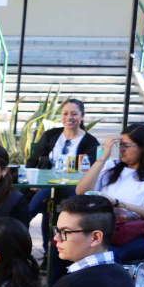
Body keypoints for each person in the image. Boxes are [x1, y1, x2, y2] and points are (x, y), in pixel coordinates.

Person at [75, 123, 144, 263]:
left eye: (126, 145)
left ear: (143, 147)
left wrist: (116, 203)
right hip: (107, 228)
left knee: (106, 255)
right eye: (120, 145)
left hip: (141, 234)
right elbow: (81, 191)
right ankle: (62, 285)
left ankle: (107, 284)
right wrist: (104, 156)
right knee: (67, 245)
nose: (122, 150)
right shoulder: (111, 166)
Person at [27, 99, 99, 239]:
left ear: (82, 116)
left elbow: (92, 170)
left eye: (74, 114)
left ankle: (56, 251)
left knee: (62, 212)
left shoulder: (90, 142)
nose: (69, 118)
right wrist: (32, 180)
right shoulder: (51, 135)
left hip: (75, 187)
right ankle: (42, 250)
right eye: (65, 113)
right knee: (34, 207)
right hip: (48, 183)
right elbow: (32, 160)